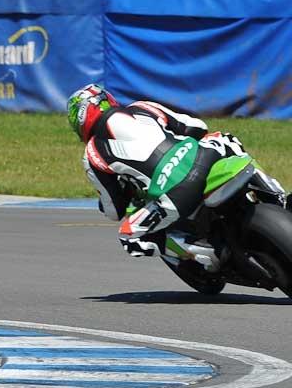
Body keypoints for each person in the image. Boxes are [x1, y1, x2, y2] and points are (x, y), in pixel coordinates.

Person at [67, 83, 247, 267]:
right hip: (205, 157)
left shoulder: (92, 153)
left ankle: (207, 253)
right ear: (108, 99)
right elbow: (198, 127)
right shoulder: (143, 107)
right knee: (226, 139)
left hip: (174, 194)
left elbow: (114, 211)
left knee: (129, 236)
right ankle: (273, 195)